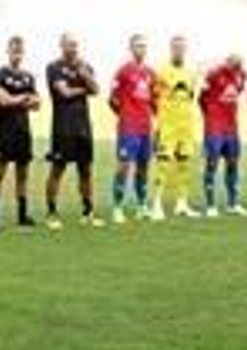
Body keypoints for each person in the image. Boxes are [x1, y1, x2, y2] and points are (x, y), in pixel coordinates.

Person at [43, 34, 104, 230]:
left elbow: (96, 89)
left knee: (85, 171)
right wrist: (83, 89)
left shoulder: (85, 66)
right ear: (61, 46)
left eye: (75, 45)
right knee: (57, 169)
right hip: (63, 128)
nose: (73, 48)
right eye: (69, 45)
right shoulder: (54, 67)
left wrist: (85, 76)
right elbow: (64, 93)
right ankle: (52, 212)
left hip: (83, 127)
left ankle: (88, 212)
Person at [0, 36, 42, 228]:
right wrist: (24, 98)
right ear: (8, 51)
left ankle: (22, 215)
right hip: (4, 131)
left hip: (23, 131)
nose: (17, 53)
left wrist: (18, 99)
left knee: (23, 174)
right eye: (13, 49)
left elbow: (37, 104)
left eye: (20, 50)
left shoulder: (28, 76)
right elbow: (3, 101)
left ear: (23, 52)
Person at [151, 36, 202, 220]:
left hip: (186, 125)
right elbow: (153, 96)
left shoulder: (191, 73)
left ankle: (182, 203)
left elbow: (191, 97)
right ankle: (156, 204)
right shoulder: (162, 71)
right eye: (176, 48)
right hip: (168, 126)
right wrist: (159, 122)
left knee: (185, 164)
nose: (179, 51)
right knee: (163, 164)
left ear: (185, 50)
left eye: (182, 48)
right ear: (170, 49)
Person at [109, 35, 157, 224]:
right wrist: (125, 115)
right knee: (123, 166)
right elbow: (112, 99)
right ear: (131, 48)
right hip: (128, 127)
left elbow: (154, 102)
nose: (141, 50)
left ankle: (141, 206)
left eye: (144, 46)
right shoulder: (123, 71)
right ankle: (117, 207)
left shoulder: (151, 73)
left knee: (143, 167)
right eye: (138, 46)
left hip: (146, 128)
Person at [200, 54, 247, 216]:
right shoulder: (213, 74)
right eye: (233, 64)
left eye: (238, 65)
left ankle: (233, 204)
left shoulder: (241, 76)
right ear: (226, 62)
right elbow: (201, 98)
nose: (236, 67)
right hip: (214, 127)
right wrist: (211, 116)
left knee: (233, 164)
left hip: (232, 128)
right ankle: (211, 205)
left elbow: (237, 93)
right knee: (212, 163)